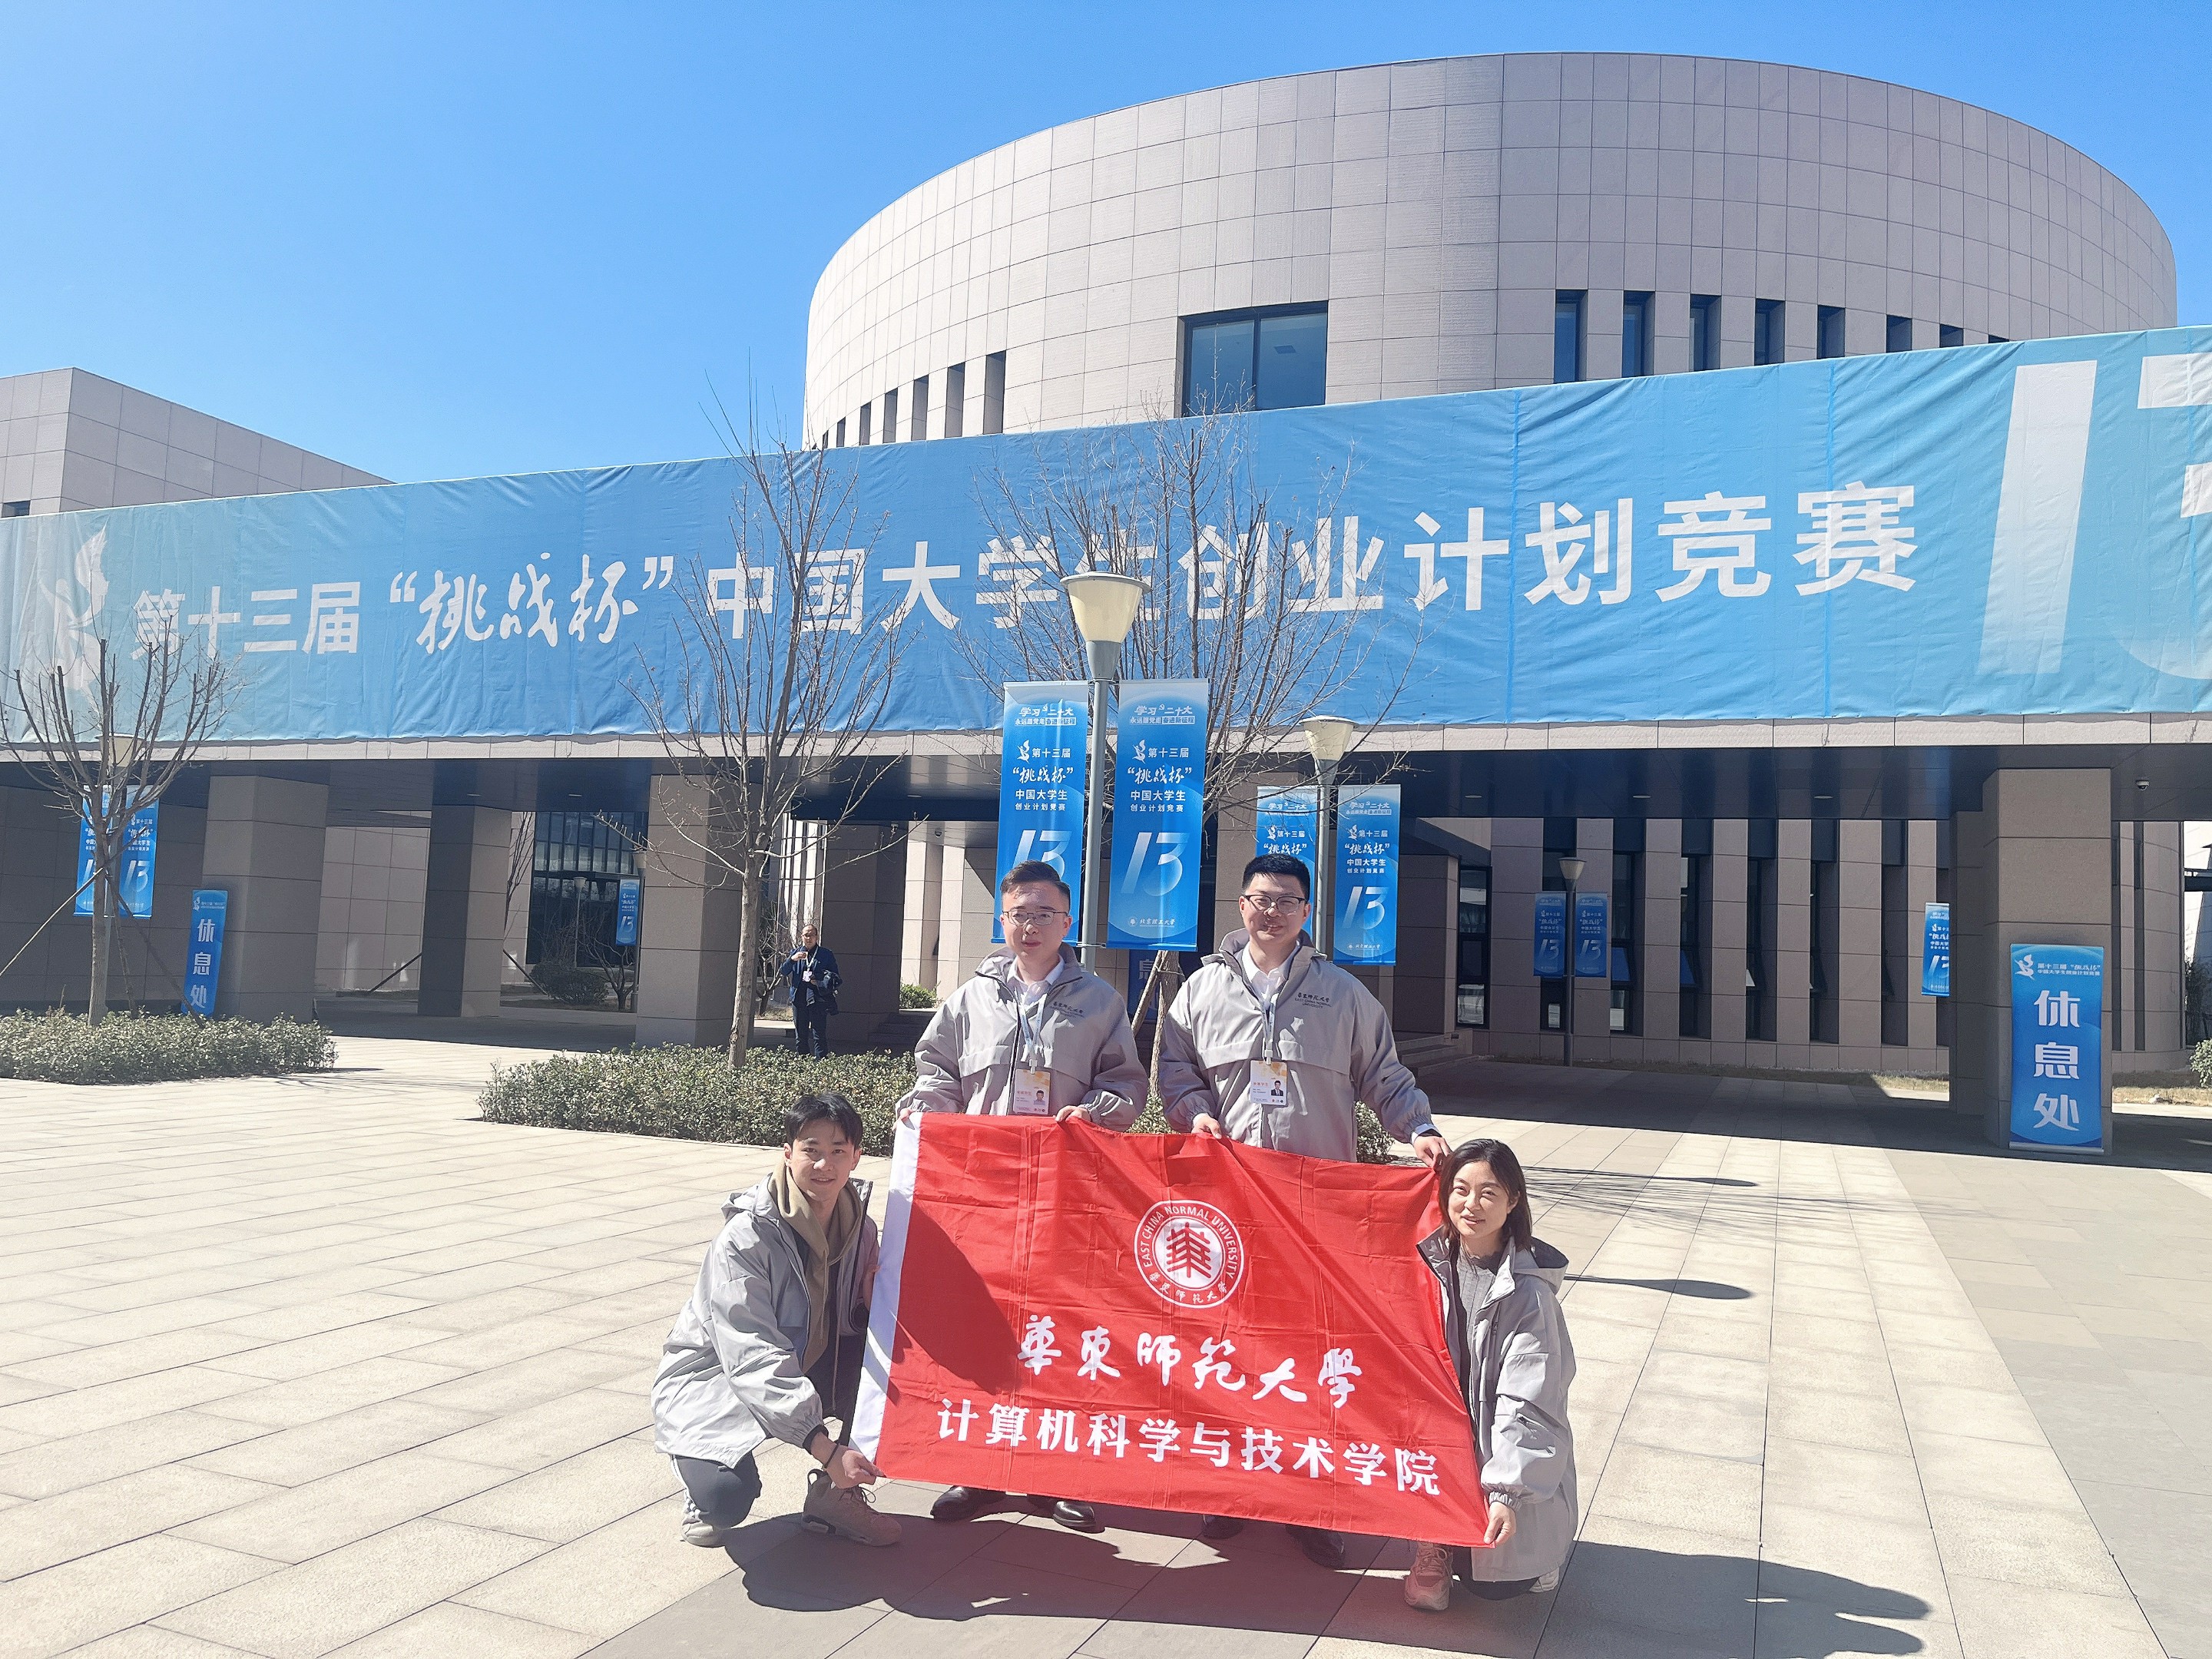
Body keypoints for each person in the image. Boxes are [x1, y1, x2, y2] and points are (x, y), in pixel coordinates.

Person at [1157, 849, 1449, 1568]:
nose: (1273, 911)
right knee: (1228, 1349)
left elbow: (1384, 1074)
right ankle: (1230, 1487)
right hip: (1229, 1205)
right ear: (1241, 906)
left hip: (1317, 1208)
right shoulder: (1200, 991)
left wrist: (1418, 1129)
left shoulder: (1342, 995)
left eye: (1287, 900)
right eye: (1261, 899)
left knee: (1314, 1350)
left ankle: (1313, 1498)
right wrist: (1194, 1112)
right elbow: (1174, 1069)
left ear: (1307, 912)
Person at [899, 857, 1148, 1535]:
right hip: (983, 1197)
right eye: (1018, 914)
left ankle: (1060, 1474)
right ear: (1001, 921)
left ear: (1067, 921)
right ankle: (980, 1469)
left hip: (1066, 1197)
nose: (1030, 925)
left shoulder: (1100, 1002)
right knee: (986, 1328)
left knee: (1062, 1330)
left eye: (1044, 914)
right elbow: (935, 1070)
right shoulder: (969, 999)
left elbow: (1128, 1085)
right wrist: (924, 1110)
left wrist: (1094, 1112)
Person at [650, 1092, 901, 1550]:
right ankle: (699, 1481)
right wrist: (824, 1448)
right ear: (787, 1153)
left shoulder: (859, 1227)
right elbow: (750, 1352)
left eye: (837, 1151)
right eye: (811, 1149)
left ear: (856, 1157)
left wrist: (871, 1304)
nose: (823, 1165)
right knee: (725, 1500)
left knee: (892, 1375)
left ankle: (835, 1498)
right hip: (719, 1375)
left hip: (807, 1356)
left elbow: (858, 1327)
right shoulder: (746, 1237)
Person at [1404, 1137, 1576, 1611]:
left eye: (1488, 1193)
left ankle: (1540, 1547)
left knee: (1497, 1584)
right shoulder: (1426, 1263)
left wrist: (1506, 1493)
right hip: (1440, 1427)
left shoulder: (1529, 1295)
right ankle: (1432, 1542)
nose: (1471, 1205)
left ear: (1513, 1200)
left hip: (1495, 1434)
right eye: (1460, 1189)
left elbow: (1529, 1399)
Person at [781, 923, 841, 1058]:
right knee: (801, 1035)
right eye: (806, 935)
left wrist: (818, 979)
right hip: (799, 999)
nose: (809, 938)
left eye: (811, 935)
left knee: (819, 1035)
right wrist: (792, 960)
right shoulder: (796, 953)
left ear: (816, 937)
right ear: (802, 937)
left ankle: (821, 1063)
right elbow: (783, 971)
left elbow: (835, 977)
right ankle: (803, 1062)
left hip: (818, 999)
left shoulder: (826, 954)